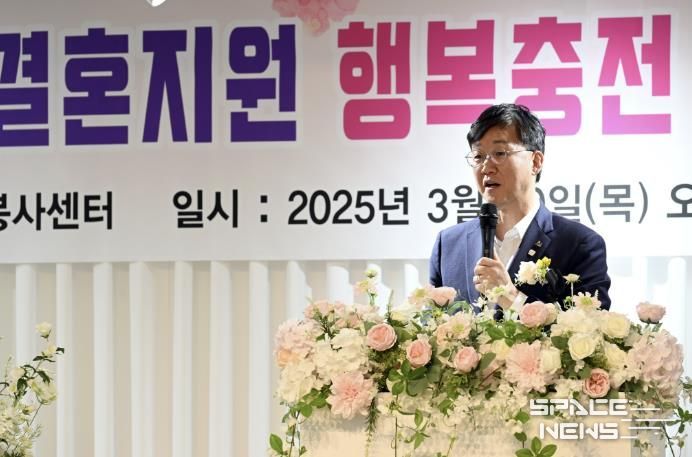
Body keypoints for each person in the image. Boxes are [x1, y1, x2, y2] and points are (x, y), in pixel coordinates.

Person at [429, 103, 611, 312]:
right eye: (478, 156)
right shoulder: (448, 244)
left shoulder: (579, 244)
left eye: (500, 153)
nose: (486, 167)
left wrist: (511, 298)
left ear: (535, 162)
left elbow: (592, 326)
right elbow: (431, 322)